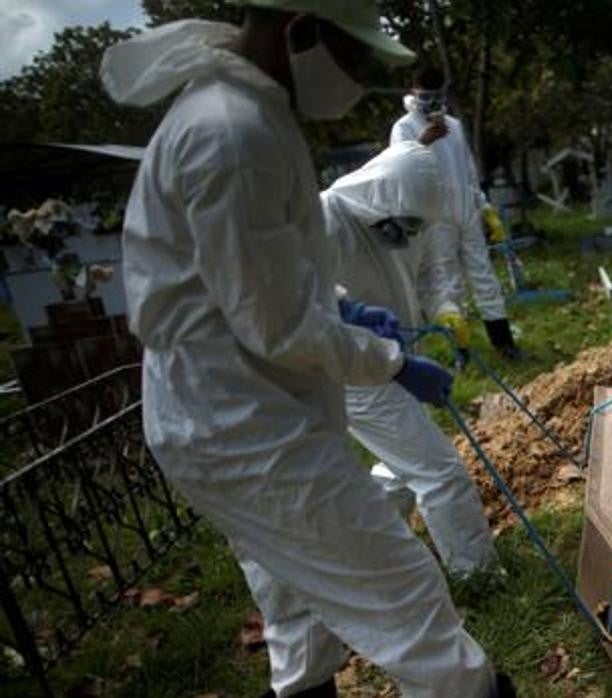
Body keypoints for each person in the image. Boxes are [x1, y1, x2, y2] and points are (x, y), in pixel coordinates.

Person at [100, 4, 511, 696]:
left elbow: (245, 278)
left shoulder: (240, 115)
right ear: (300, 32)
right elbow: (280, 327)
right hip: (242, 420)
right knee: (406, 599)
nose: (354, 79)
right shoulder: (232, 134)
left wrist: (342, 308)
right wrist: (391, 362)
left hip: (233, 405)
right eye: (351, 58)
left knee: (298, 608)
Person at [321, 141, 497, 577]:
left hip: (397, 356)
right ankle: (477, 574)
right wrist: (380, 348)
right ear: (379, 193)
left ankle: (357, 550)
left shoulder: (411, 216)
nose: (407, 235)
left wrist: (447, 309)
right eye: (401, 226)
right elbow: (311, 309)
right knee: (439, 471)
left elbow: (431, 272)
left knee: (403, 468)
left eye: (415, 227)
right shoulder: (323, 221)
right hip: (353, 371)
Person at [389, 66, 523, 360]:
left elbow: (468, 170)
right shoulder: (404, 127)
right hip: (435, 216)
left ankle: (504, 343)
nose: (431, 102)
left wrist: (484, 207)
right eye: (425, 96)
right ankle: (461, 350)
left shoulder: (455, 126)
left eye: (437, 96)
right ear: (412, 92)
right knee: (447, 281)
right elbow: (398, 166)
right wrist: (424, 140)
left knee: (484, 275)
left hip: (467, 211)